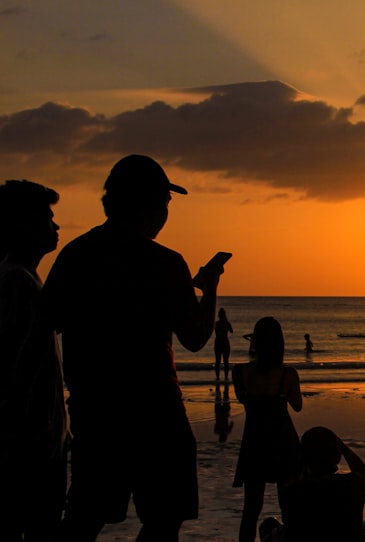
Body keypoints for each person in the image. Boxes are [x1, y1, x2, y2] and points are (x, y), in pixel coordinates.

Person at [43, 155, 222, 542]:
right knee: (163, 519)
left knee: (84, 518)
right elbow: (194, 338)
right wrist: (210, 289)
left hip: (95, 412)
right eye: (165, 204)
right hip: (157, 413)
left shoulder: (76, 255)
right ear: (150, 204)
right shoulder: (166, 263)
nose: (166, 214)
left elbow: (47, 325)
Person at [0, 180, 67, 541]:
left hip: (38, 442)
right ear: (20, 225)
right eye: (47, 218)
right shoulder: (17, 284)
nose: (55, 227)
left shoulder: (24, 280)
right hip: (28, 448)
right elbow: (18, 370)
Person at [233, 317, 303, 542]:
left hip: (254, 441)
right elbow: (297, 406)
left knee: (250, 510)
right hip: (283, 441)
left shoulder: (239, 373)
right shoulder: (287, 375)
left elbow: (244, 400)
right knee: (289, 507)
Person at [260, 426, 365, 542]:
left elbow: (288, 523)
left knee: (269, 525)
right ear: (337, 457)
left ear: (304, 458)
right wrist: (343, 447)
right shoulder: (352, 485)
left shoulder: (292, 492)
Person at [215, 307, 234, 381]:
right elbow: (232, 331)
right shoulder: (227, 323)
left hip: (218, 343)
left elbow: (216, 333)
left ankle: (217, 377)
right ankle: (226, 377)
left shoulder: (217, 323)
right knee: (226, 361)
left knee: (218, 361)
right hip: (225, 343)